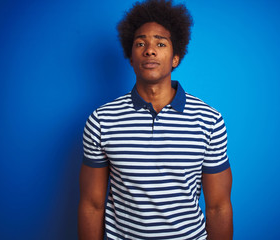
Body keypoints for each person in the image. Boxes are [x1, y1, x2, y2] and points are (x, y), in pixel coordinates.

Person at [78, 0, 233, 239]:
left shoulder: (209, 120)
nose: (149, 50)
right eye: (140, 43)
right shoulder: (101, 120)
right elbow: (91, 204)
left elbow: (219, 207)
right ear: (130, 58)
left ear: (175, 58)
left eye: (160, 43)